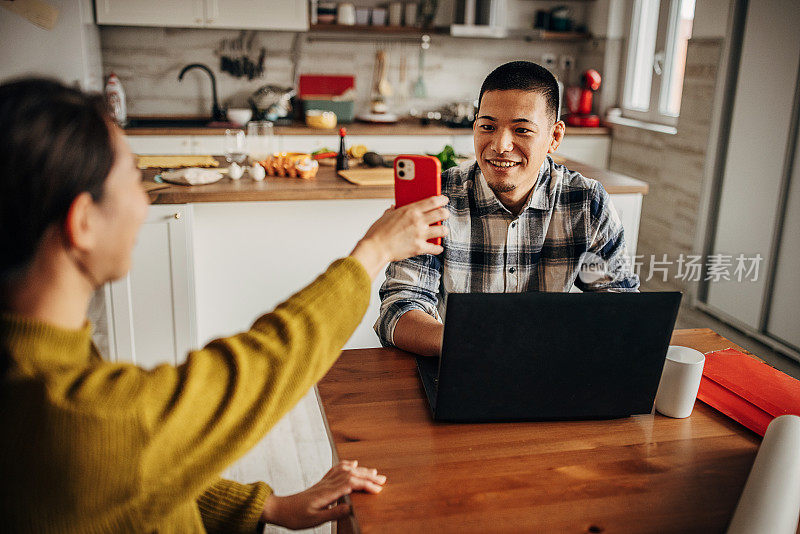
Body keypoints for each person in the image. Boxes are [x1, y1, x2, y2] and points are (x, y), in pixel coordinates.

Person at [0, 78, 449, 532]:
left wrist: (266, 508)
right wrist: (372, 252)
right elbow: (263, 363)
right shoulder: (71, 415)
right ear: (83, 223)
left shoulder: (39, 363)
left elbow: (145, 472)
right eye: (134, 179)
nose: (146, 199)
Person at [375, 61, 639, 357]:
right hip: (458, 361)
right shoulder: (436, 198)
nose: (499, 145)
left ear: (554, 137)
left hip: (549, 366)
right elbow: (399, 309)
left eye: (522, 130)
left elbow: (619, 304)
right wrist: (471, 344)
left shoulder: (586, 202)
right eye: (487, 127)